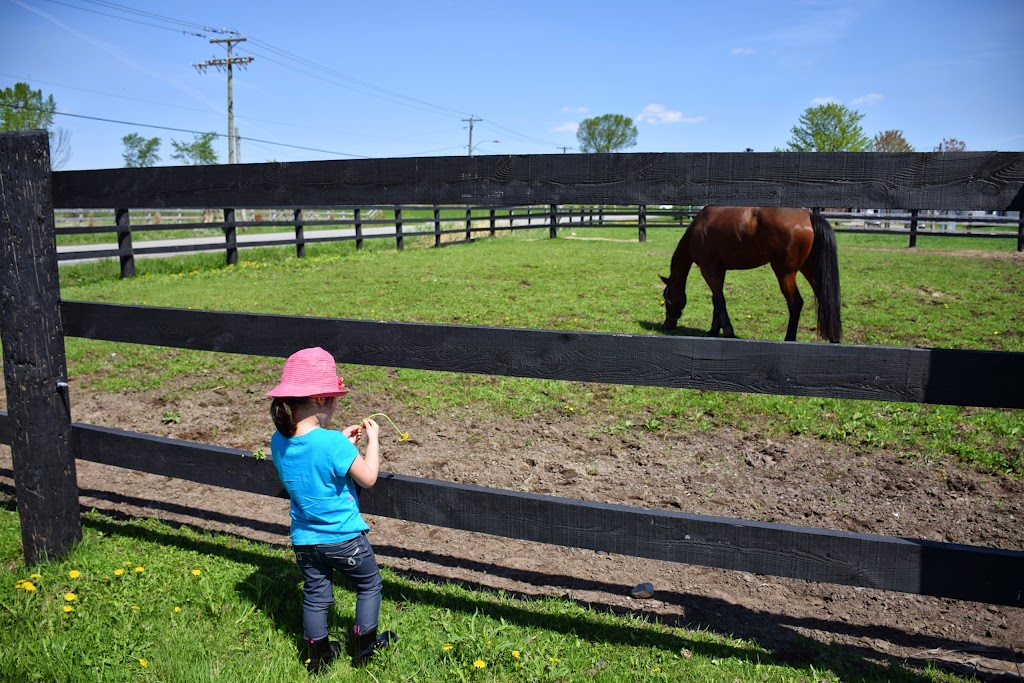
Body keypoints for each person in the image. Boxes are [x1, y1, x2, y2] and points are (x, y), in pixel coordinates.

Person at [267, 346, 397, 673]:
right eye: (335, 397)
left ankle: (319, 658)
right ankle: (364, 649)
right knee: (368, 586)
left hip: (305, 539)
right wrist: (373, 441)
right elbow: (367, 478)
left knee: (315, 596)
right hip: (343, 538)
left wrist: (340, 443)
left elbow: (312, 463)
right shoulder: (332, 445)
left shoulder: (278, 440)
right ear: (323, 400)